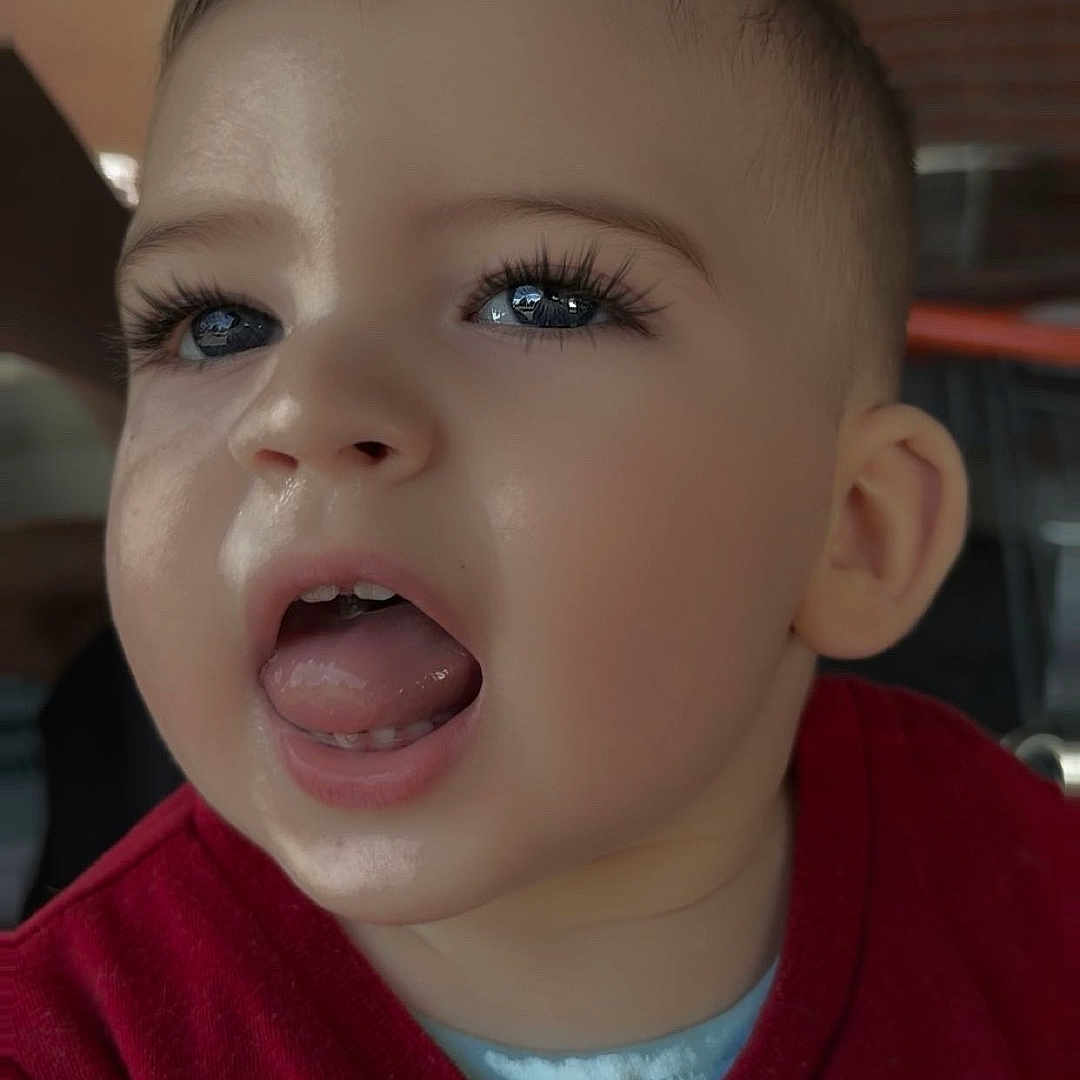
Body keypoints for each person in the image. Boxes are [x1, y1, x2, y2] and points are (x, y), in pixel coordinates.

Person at [9, 1, 1076, 1076]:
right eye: (219, 323)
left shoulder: (1030, 910)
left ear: (853, 532)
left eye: (537, 300)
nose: (301, 407)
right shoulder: (73, 1040)